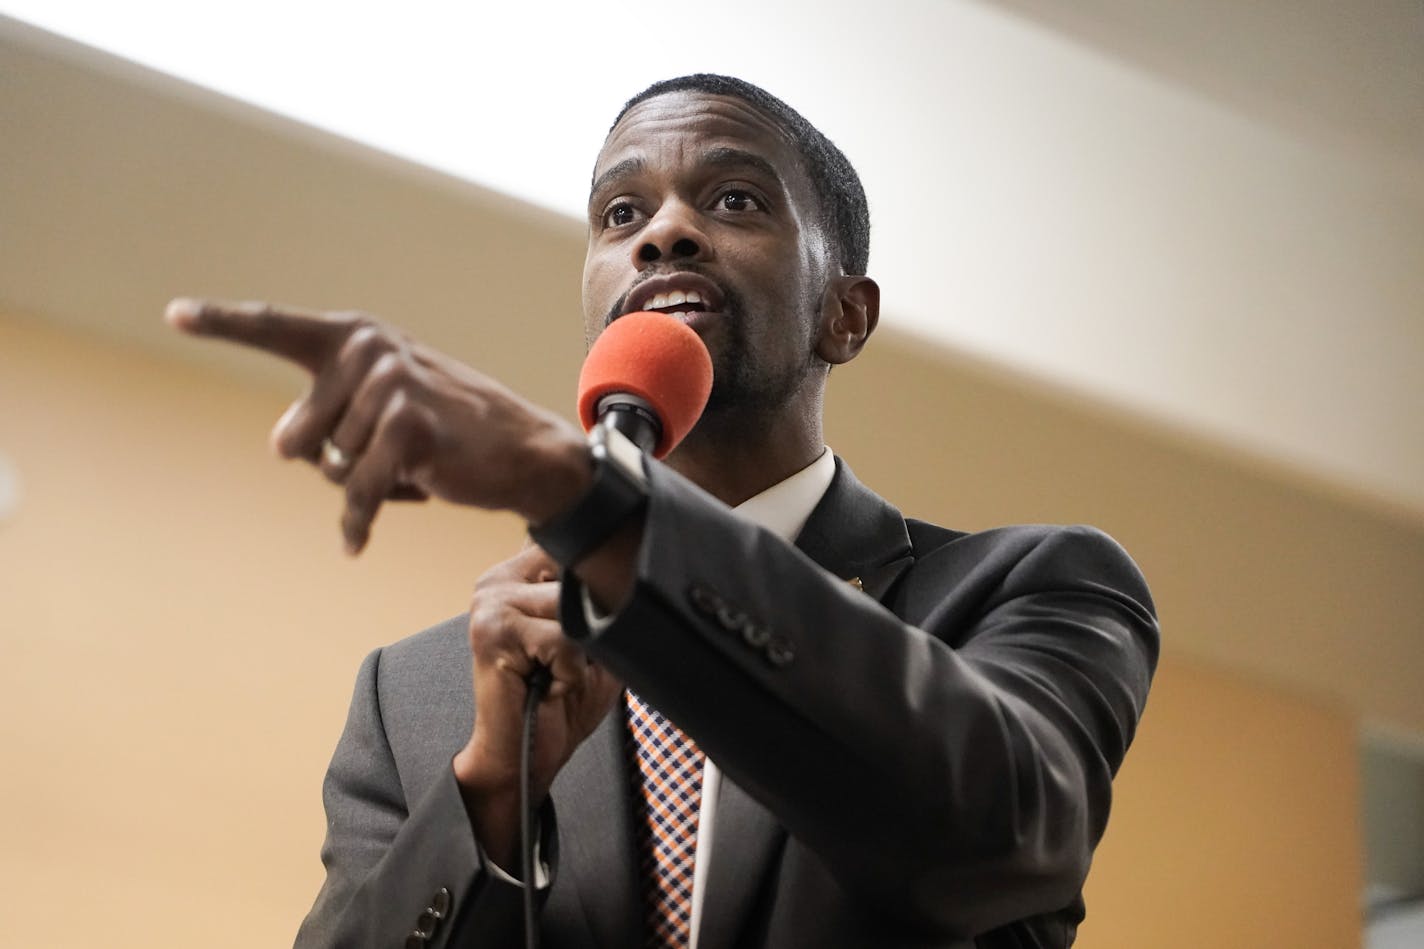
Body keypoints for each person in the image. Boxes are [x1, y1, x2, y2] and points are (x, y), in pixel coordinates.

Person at [168, 74, 1158, 949]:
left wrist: (580, 491)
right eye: (618, 211)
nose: (663, 231)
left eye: (733, 199)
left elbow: (996, 839)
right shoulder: (416, 696)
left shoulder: (1026, 588)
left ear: (843, 314)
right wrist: (488, 794)